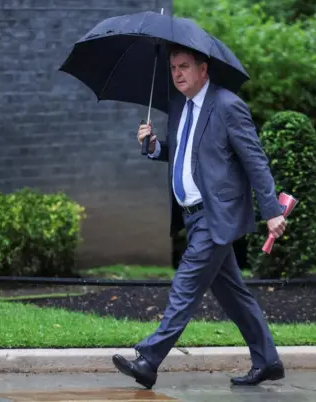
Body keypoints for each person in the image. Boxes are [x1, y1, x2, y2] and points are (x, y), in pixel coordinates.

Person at [111, 43, 287, 389]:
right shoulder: (180, 105)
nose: (177, 74)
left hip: (216, 215)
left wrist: (272, 211)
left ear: (203, 69)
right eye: (174, 68)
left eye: (185, 67)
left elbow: (254, 160)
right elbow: (186, 154)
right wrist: (154, 147)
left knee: (185, 285)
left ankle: (149, 359)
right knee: (234, 294)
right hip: (192, 217)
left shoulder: (227, 106)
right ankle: (268, 360)